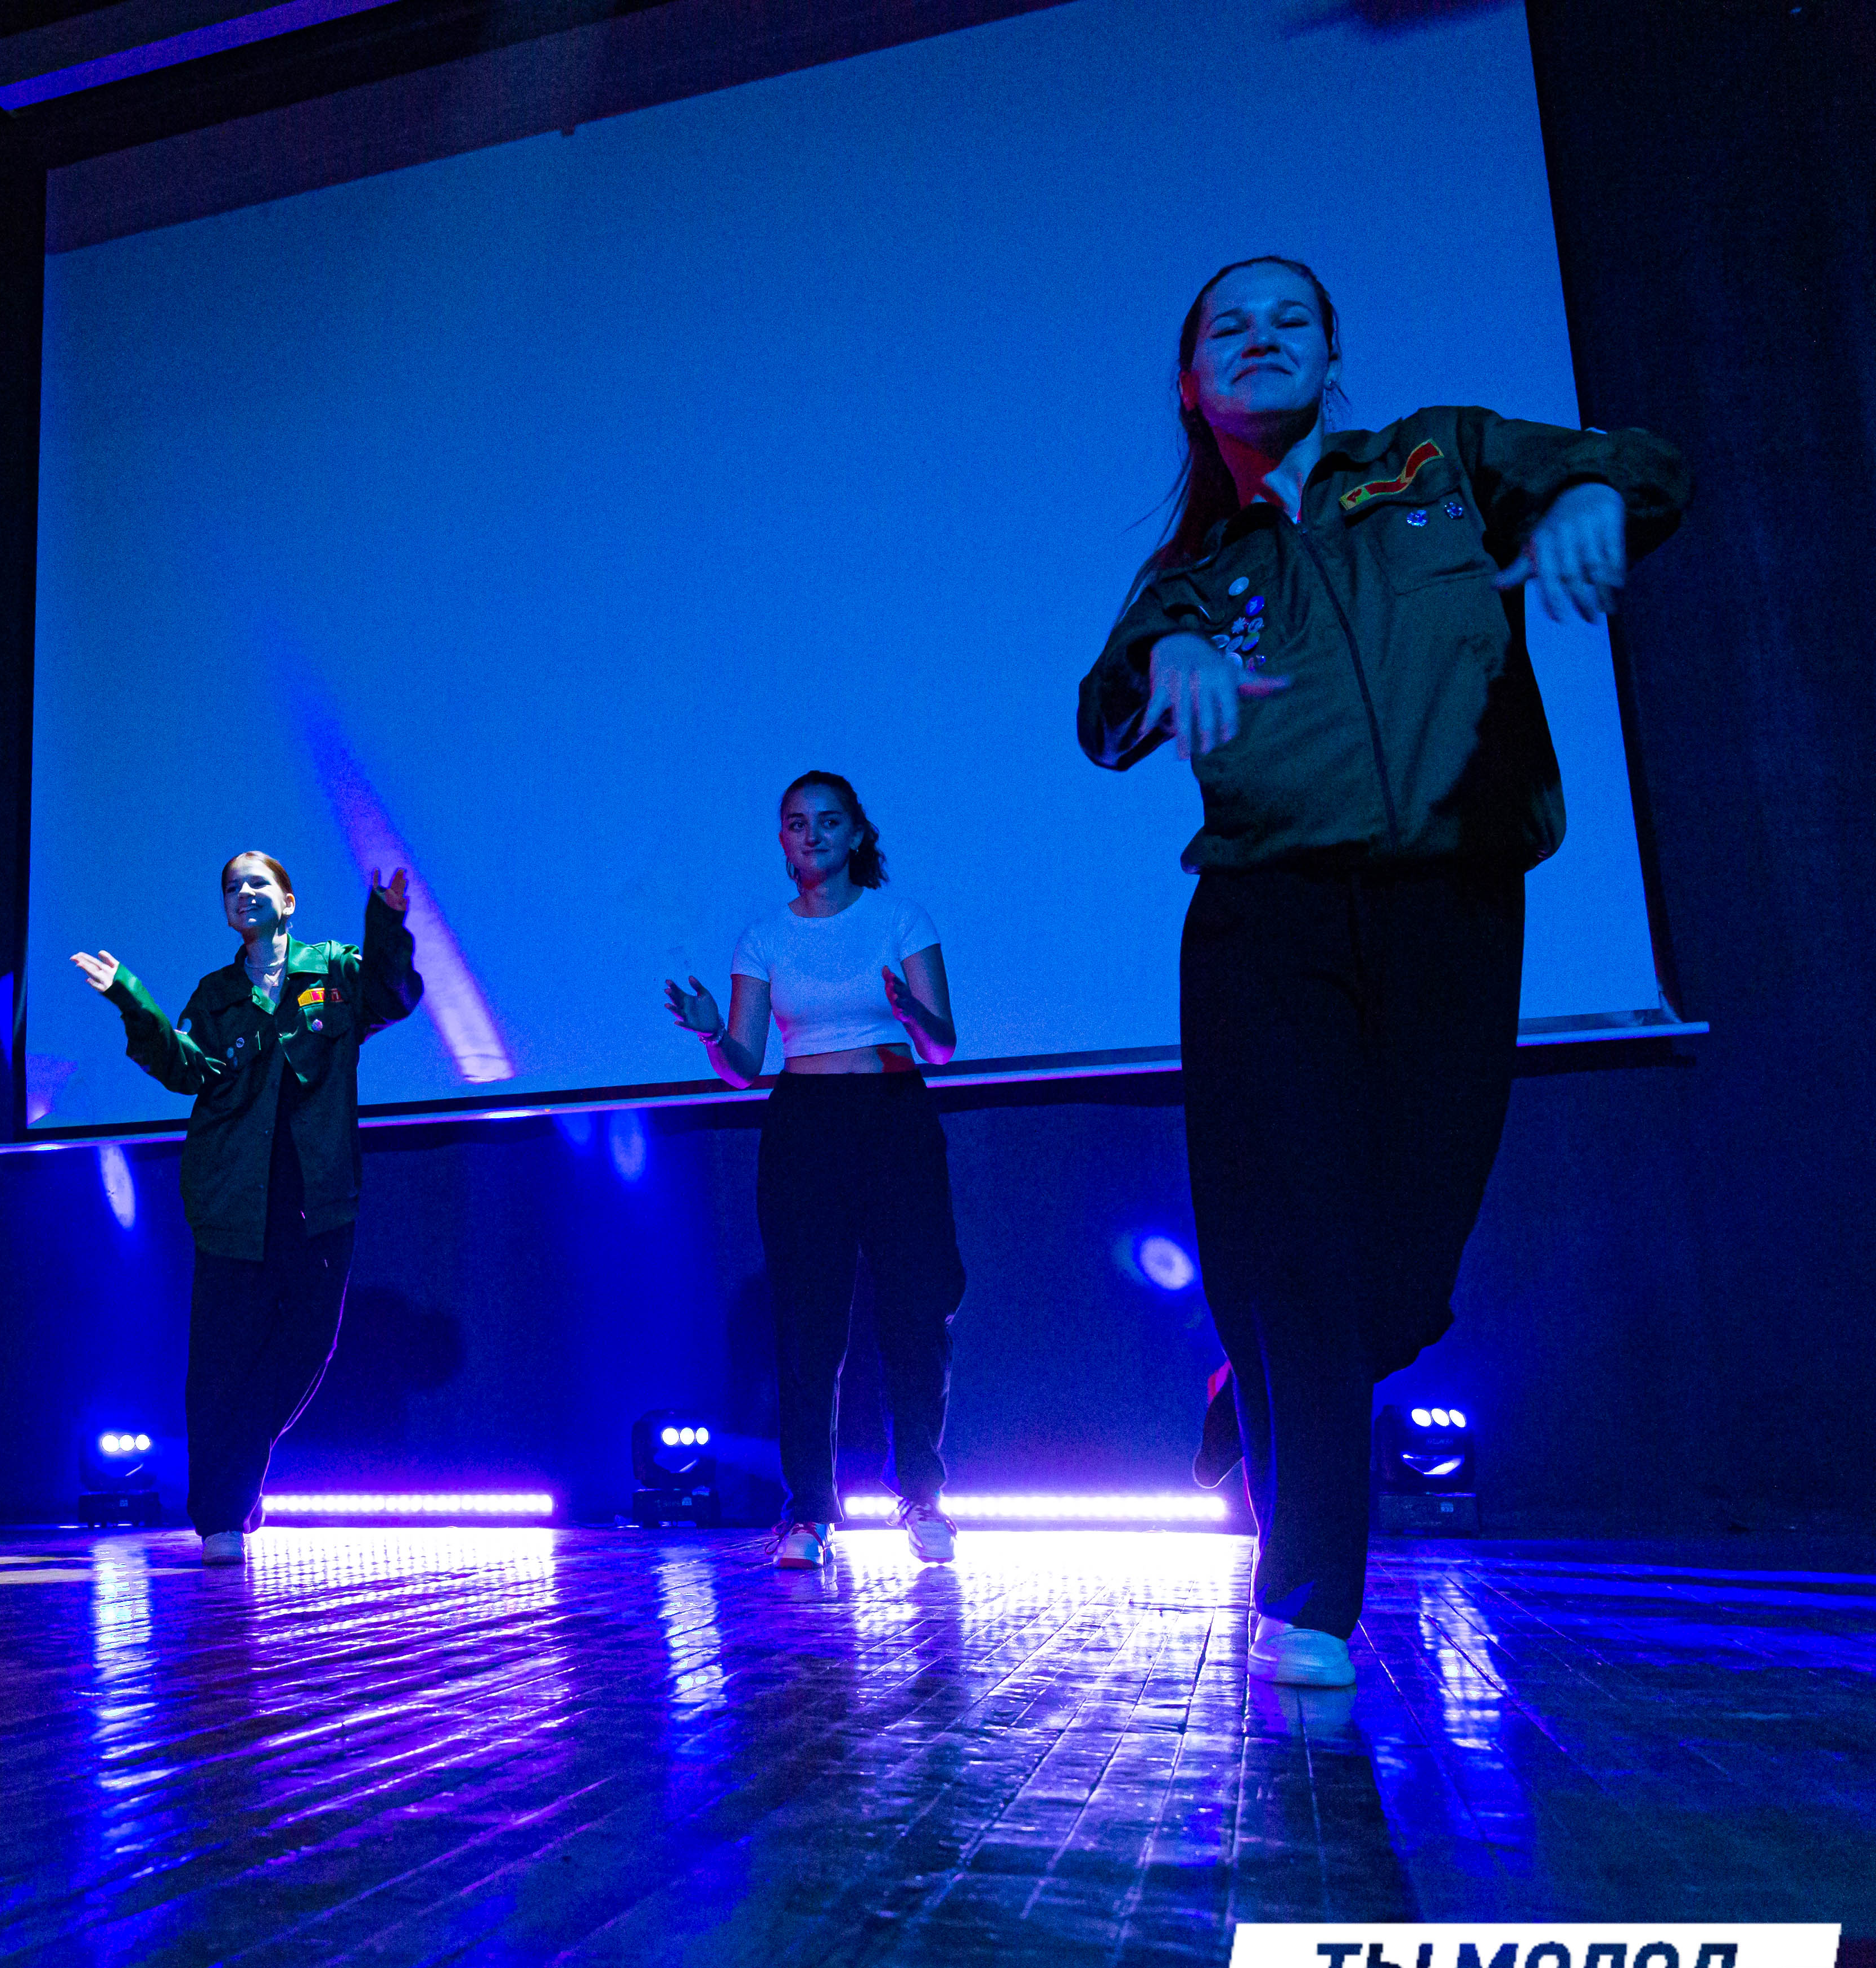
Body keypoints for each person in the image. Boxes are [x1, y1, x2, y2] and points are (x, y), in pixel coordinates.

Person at [1078, 256, 1689, 1687]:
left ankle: (1258, 1376)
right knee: (1298, 1248)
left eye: (1290, 317)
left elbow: (1633, 462)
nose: (1263, 337)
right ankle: (1306, 1598)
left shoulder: (1437, 461)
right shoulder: (1194, 576)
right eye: (1229, 326)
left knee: (1405, 1269)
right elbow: (1103, 713)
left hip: (1451, 904)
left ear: (1331, 352)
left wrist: (1596, 498)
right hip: (1266, 922)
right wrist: (1167, 664)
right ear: (1191, 385)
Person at [72, 854, 421, 1564]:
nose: (244, 893)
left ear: (288, 901)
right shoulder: (218, 993)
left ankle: (237, 1471)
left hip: (319, 1197)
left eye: (258, 883)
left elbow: (393, 996)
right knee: (221, 1364)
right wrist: (130, 997)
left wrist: (386, 922)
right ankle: (221, 1518)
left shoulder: (335, 970)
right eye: (233, 887)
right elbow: (184, 1069)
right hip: (232, 1197)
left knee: (307, 1347)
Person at [664, 771, 963, 1570]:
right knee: (808, 1328)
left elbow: (941, 1047)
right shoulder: (763, 938)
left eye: (829, 822)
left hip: (894, 1117)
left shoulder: (900, 919)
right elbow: (743, 1066)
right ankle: (809, 1514)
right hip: (805, 1125)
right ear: (783, 841)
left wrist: (911, 1013)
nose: (813, 835)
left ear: (856, 834)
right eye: (797, 823)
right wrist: (711, 1031)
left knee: (916, 1317)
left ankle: (923, 1498)